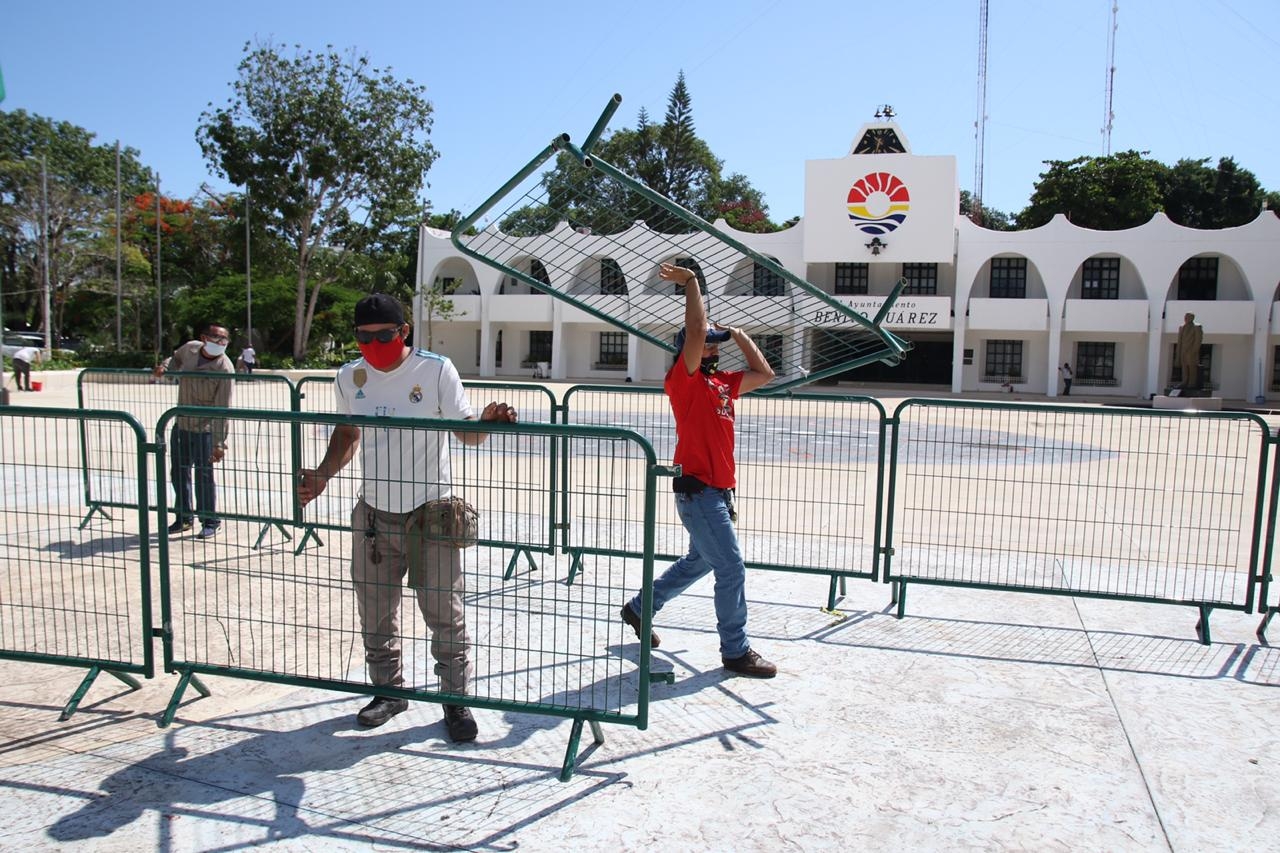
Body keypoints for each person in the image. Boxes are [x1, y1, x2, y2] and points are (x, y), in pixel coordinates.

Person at [296, 293, 518, 742]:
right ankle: (389, 692)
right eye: (364, 336)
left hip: (431, 518)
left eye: (384, 335)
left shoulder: (436, 369)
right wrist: (321, 474)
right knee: (375, 611)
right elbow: (348, 431)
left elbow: (465, 433)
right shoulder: (349, 375)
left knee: (444, 613)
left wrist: (489, 422)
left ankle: (455, 700)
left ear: (405, 332)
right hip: (374, 517)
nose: (374, 344)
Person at [620, 262, 778, 678]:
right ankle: (735, 650)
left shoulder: (723, 383)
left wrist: (742, 339)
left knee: (701, 562)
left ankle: (640, 609)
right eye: (708, 343)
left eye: (714, 344)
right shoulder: (682, 380)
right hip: (700, 492)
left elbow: (765, 373)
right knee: (730, 567)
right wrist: (691, 283)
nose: (712, 347)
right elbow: (694, 330)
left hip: (719, 494)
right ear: (688, 349)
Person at [154, 324, 235, 538]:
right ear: (203, 338)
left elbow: (222, 409)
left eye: (224, 341)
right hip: (182, 425)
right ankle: (183, 518)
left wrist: (219, 443)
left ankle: (210, 520)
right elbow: (175, 359)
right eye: (216, 339)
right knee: (178, 471)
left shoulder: (224, 368)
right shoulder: (190, 349)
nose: (220, 344)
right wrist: (165, 367)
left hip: (205, 429)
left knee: (204, 475)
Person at [1177, 312, 1204, 391]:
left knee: (1192, 367)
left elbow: (1198, 340)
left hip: (1191, 351)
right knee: (1184, 367)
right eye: (1185, 317)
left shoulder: (1197, 327)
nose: (1185, 318)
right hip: (1183, 351)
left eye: (1187, 317)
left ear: (1192, 318)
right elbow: (1179, 341)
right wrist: (1178, 353)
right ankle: (1184, 381)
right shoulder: (1182, 327)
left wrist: (1194, 351)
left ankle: (1192, 383)